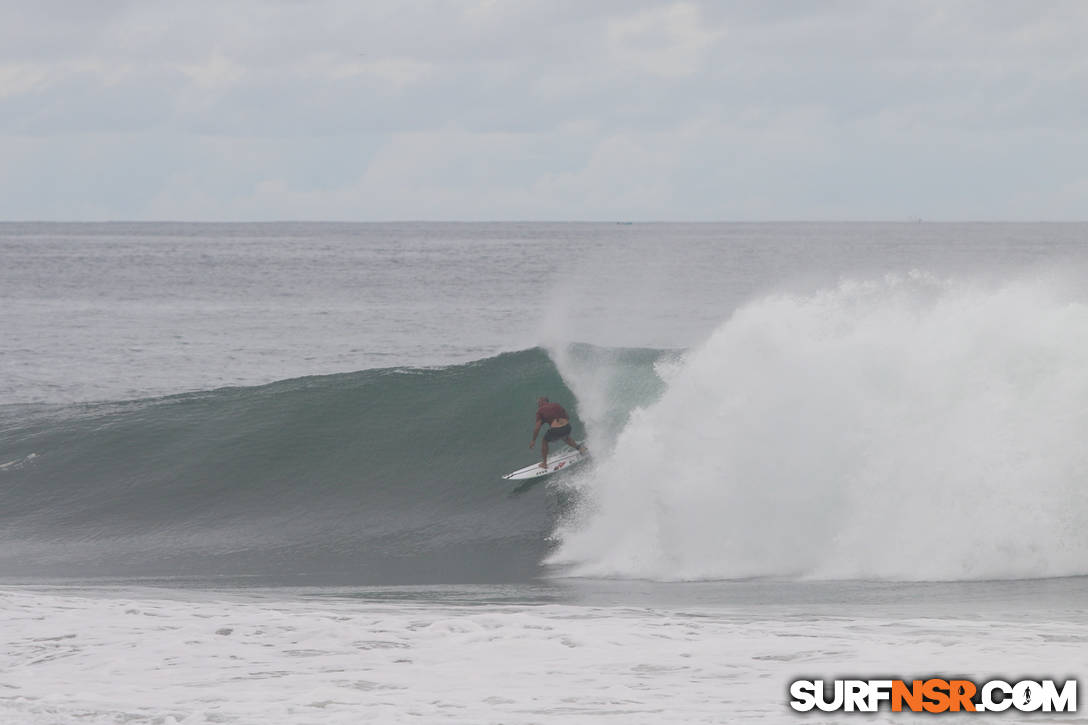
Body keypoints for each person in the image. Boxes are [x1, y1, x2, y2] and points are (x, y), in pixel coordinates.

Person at [530, 396, 586, 469]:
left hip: (557, 430)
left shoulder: (540, 410)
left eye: (539, 402)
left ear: (543, 402)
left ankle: (544, 463)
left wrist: (533, 440)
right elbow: (567, 417)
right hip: (567, 427)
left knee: (544, 441)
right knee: (566, 438)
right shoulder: (556, 405)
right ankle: (581, 449)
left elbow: (537, 427)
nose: (538, 404)